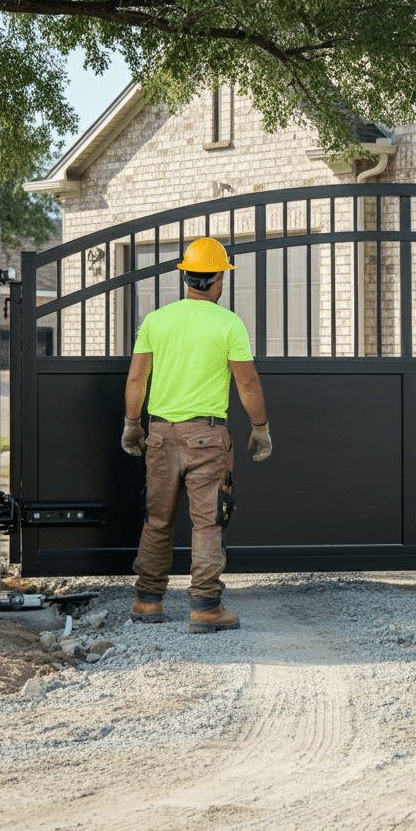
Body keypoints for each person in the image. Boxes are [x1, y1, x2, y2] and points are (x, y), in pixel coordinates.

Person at [120, 237, 272, 633]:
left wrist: (133, 425)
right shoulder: (228, 323)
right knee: (207, 523)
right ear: (219, 278)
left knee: (157, 520)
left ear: (185, 276)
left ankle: (147, 601)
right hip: (206, 438)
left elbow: (137, 377)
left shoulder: (156, 320)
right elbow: (248, 382)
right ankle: (205, 607)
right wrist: (260, 427)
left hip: (158, 435)